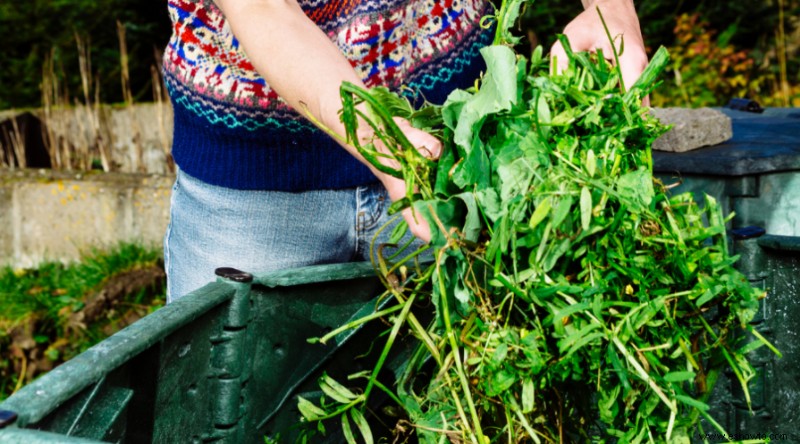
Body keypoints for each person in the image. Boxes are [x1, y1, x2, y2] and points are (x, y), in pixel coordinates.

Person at [162, 0, 647, 301]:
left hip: (456, 148)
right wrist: (385, 143)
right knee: (234, 411)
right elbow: (261, 8)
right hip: (253, 187)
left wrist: (614, 9)